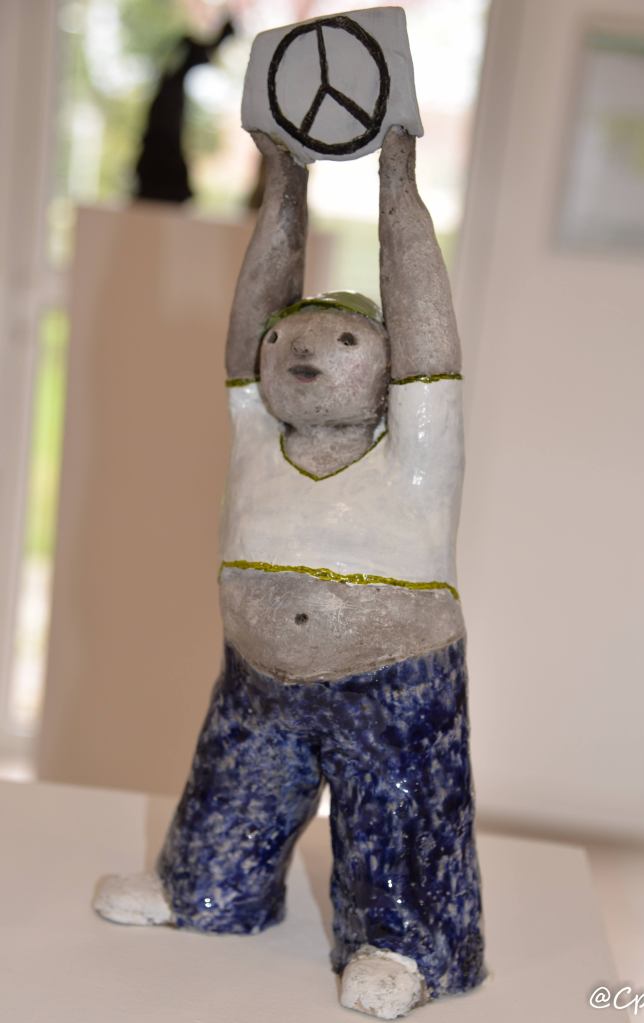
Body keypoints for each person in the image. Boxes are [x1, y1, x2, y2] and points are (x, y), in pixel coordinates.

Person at [94, 126, 486, 1020]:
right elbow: (250, 324)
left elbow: (426, 321)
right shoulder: (256, 439)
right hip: (258, 679)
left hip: (393, 682)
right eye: (289, 342)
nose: (306, 353)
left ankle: (401, 945)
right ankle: (205, 887)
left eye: (345, 339)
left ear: (391, 370)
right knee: (233, 784)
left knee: (395, 812)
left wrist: (396, 179)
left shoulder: (416, 455)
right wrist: (282, 181)